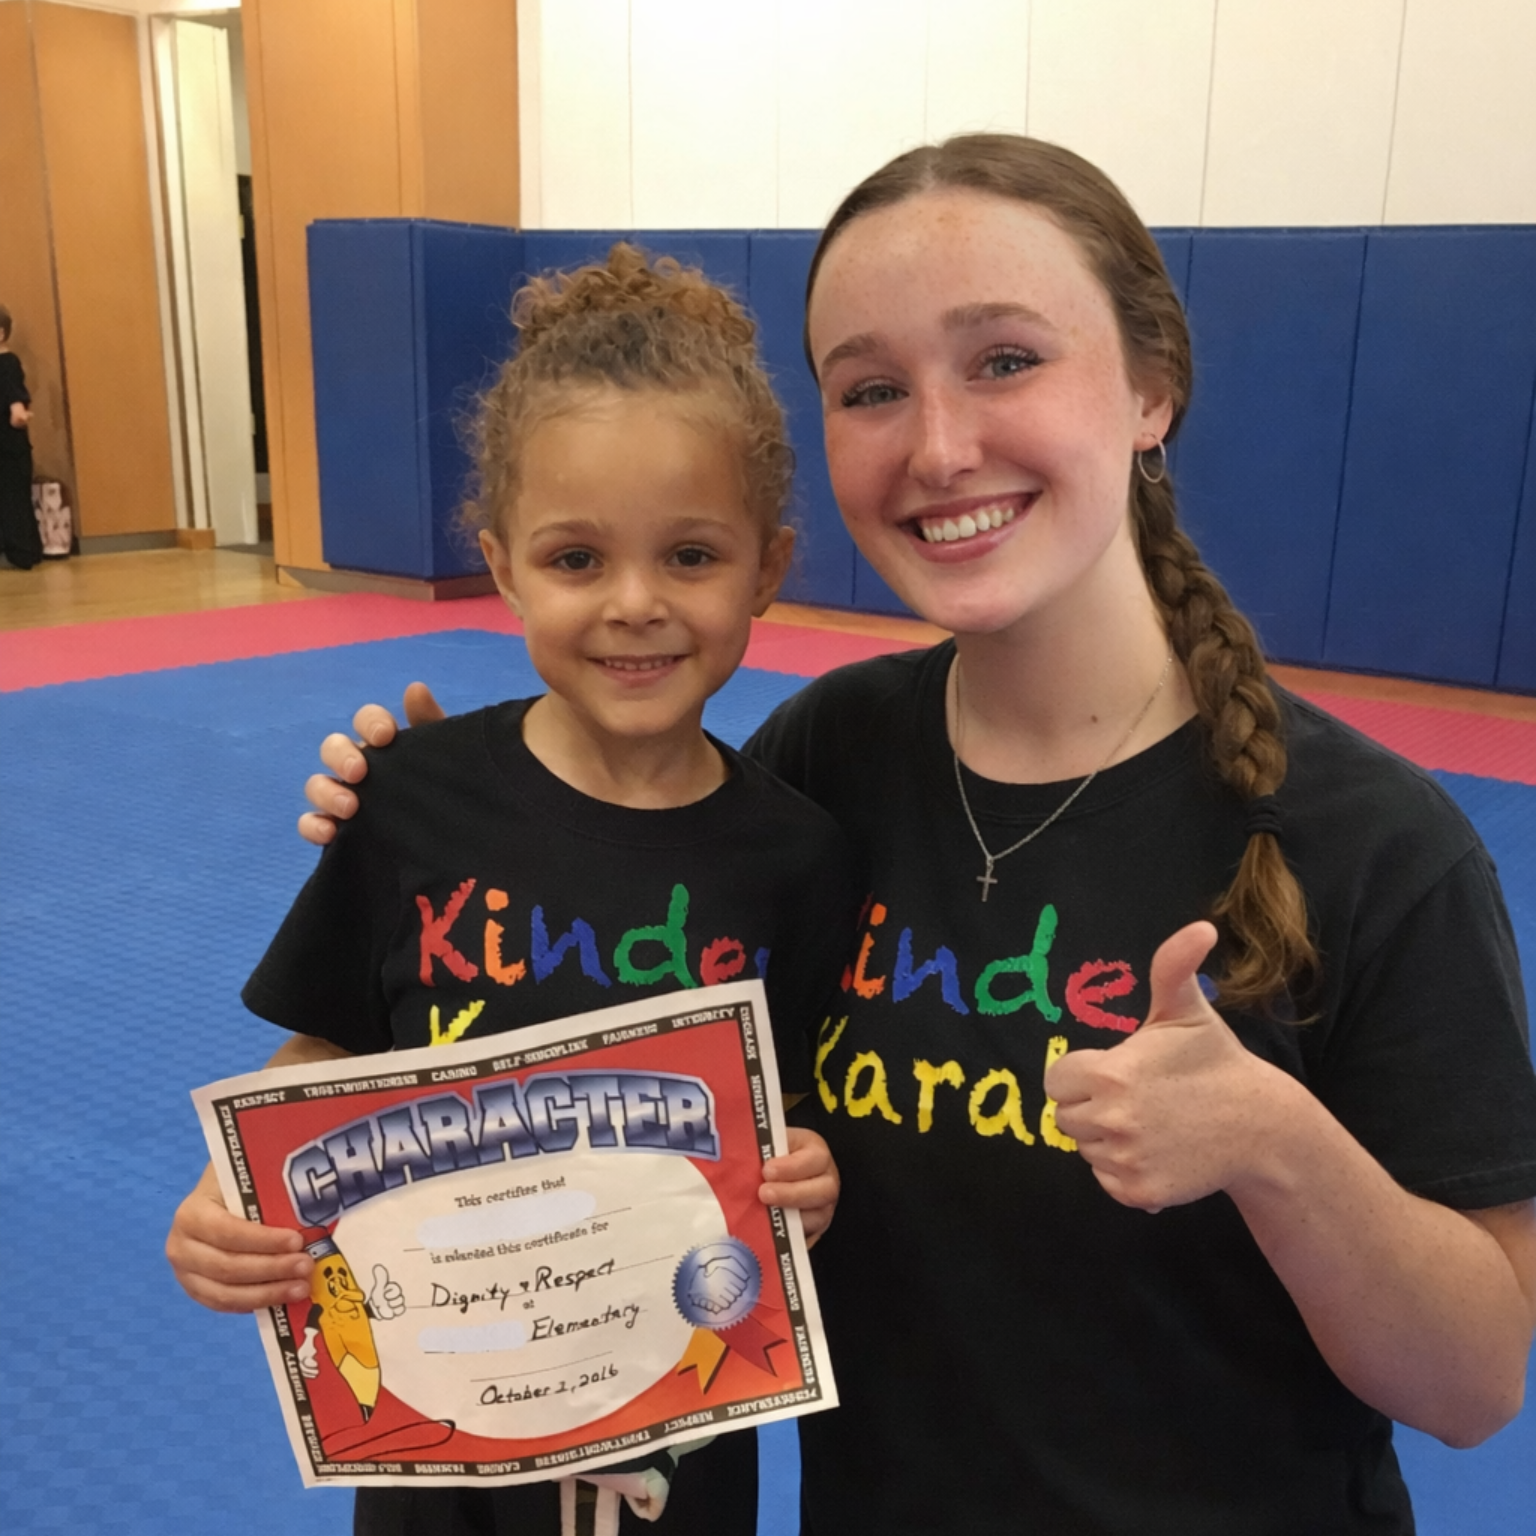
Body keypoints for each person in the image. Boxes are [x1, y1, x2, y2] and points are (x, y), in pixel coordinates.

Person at [296, 137, 1536, 1535]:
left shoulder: (1369, 842)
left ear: (1151, 388)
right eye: (872, 389)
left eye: (1005, 360)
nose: (940, 448)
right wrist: (437, 815)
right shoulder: (824, 766)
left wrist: (1274, 1144)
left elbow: (1475, 1381)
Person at [167, 245, 859, 1536]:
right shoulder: (408, 799)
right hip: (440, 1451)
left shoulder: (800, 857)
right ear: (502, 566)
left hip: (674, 1454)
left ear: (768, 568)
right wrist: (233, 1196)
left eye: (691, 556)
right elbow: (324, 1049)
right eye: (577, 558)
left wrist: (811, 1182)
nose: (636, 605)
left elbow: (805, 1119)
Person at [0, 304, 43, 571]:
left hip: (8, 444)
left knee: (13, 497)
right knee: (13, 497)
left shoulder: (7, 363)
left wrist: (18, 414)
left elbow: (15, 394)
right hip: (7, 443)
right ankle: (25, 550)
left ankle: (23, 553)